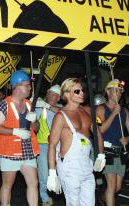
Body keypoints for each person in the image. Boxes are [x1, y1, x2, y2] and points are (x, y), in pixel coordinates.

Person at [47, 78, 106, 206]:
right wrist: (52, 174)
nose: (82, 94)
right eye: (77, 91)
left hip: (86, 164)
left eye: (82, 91)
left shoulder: (87, 112)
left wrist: (101, 155)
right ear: (67, 94)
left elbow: (97, 134)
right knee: (73, 203)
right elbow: (52, 145)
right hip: (69, 166)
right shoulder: (60, 116)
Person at [0, 70, 39, 206]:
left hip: (28, 151)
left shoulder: (29, 104)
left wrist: (35, 121)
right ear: (16, 86)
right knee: (7, 185)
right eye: (27, 85)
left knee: (33, 183)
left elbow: (35, 128)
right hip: (9, 152)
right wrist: (15, 131)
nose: (30, 87)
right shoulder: (4, 105)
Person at [96, 79, 129, 206]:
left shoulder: (125, 111)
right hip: (107, 151)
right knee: (112, 185)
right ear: (108, 92)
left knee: (118, 188)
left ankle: (103, 199)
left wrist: (128, 139)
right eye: (116, 90)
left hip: (121, 151)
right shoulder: (100, 109)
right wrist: (114, 113)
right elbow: (101, 130)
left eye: (120, 91)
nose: (119, 93)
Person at [35, 85, 61, 206]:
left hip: (58, 145)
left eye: (55, 95)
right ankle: (44, 197)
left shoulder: (61, 108)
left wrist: (48, 106)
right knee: (44, 173)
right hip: (42, 145)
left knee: (59, 172)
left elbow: (61, 112)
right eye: (51, 93)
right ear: (47, 93)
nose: (52, 96)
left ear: (59, 97)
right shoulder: (37, 106)